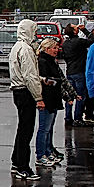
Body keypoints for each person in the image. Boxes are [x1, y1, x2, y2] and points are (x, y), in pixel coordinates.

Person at [8, 18, 44, 180]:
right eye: (34, 31)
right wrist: (38, 97)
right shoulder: (26, 50)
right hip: (25, 92)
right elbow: (29, 76)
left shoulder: (17, 47)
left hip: (17, 90)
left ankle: (16, 160)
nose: (36, 35)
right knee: (26, 130)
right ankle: (23, 166)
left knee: (22, 127)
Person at [36, 37, 65, 167]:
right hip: (47, 98)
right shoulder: (42, 62)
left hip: (53, 98)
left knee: (49, 128)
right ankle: (41, 154)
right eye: (54, 48)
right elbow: (43, 80)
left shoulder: (52, 61)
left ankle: (48, 151)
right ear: (47, 49)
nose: (56, 50)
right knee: (44, 128)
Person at [61, 24, 94, 127]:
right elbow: (92, 40)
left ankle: (68, 118)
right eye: (76, 28)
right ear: (75, 32)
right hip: (79, 71)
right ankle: (78, 118)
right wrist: (85, 30)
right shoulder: (79, 42)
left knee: (70, 95)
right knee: (80, 96)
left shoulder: (65, 44)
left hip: (70, 71)